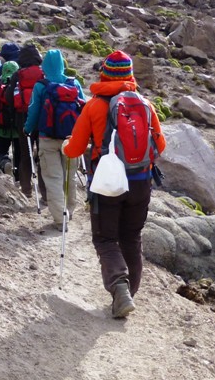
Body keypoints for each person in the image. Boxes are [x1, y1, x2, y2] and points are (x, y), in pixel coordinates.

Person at [61, 50, 166, 319]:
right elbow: (160, 145)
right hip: (141, 181)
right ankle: (128, 293)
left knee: (106, 239)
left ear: (104, 73)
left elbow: (73, 150)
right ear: (130, 75)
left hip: (107, 184)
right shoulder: (145, 104)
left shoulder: (94, 106)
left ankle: (120, 288)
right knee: (132, 237)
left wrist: (69, 147)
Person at [24, 49, 86, 229]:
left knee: (53, 178)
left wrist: (27, 129)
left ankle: (60, 219)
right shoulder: (74, 83)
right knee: (70, 176)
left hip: (47, 138)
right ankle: (70, 210)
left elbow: (33, 111)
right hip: (71, 139)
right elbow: (83, 110)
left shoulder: (41, 86)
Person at [11, 42, 45, 200]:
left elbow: (8, 97)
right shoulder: (43, 73)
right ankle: (44, 193)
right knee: (43, 154)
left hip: (22, 118)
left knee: (25, 154)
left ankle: (26, 189)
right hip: (42, 118)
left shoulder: (18, 74)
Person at [0, 60, 21, 178]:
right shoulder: (20, 87)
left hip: (2, 128)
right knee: (19, 155)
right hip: (18, 128)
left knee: (2, 151)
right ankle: (18, 178)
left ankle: (5, 163)